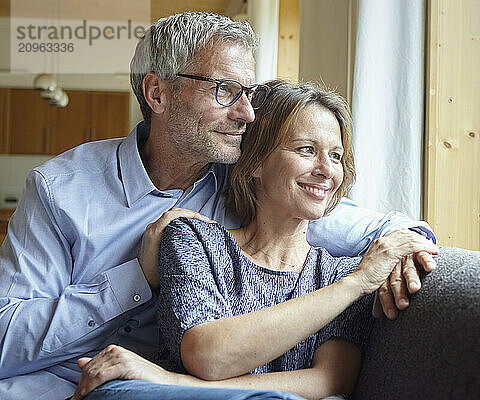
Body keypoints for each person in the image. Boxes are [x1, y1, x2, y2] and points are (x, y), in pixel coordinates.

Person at [0, 12, 436, 400]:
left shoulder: (251, 183)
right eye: (225, 90)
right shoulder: (60, 190)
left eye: (248, 92)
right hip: (49, 383)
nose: (247, 113)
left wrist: (411, 246)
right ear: (158, 93)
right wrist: (135, 278)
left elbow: (375, 226)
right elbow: (5, 342)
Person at [74, 81, 439, 400]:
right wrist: (356, 284)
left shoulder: (336, 274)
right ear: (256, 162)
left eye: (336, 156)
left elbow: (330, 380)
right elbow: (209, 355)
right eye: (306, 150)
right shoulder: (194, 240)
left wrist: (170, 381)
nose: (327, 170)